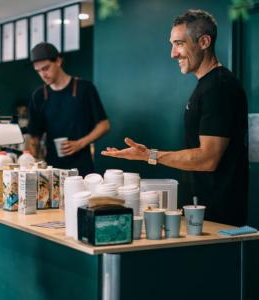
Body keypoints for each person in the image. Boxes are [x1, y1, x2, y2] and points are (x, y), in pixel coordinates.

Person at [102, 9, 248, 227]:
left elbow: (208, 159)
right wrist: (147, 155)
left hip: (219, 217)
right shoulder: (207, 85)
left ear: (204, 42)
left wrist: (149, 155)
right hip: (203, 210)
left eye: (179, 43)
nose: (173, 53)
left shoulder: (219, 87)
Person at [27, 42, 110, 176]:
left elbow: (104, 125)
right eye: (38, 71)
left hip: (82, 167)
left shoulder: (85, 88)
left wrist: (79, 143)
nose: (43, 74)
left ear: (58, 61)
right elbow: (34, 136)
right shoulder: (39, 95)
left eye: (46, 68)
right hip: (52, 169)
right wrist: (32, 155)